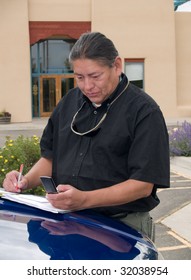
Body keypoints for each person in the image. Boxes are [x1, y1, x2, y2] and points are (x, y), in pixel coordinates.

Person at [3, 31, 170, 241]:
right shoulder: (68, 102)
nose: (87, 86)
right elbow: (51, 157)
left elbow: (142, 186)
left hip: (122, 227)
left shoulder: (145, 112)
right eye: (79, 77)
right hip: (68, 220)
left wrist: (84, 200)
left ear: (116, 66)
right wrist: (24, 181)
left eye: (95, 76)